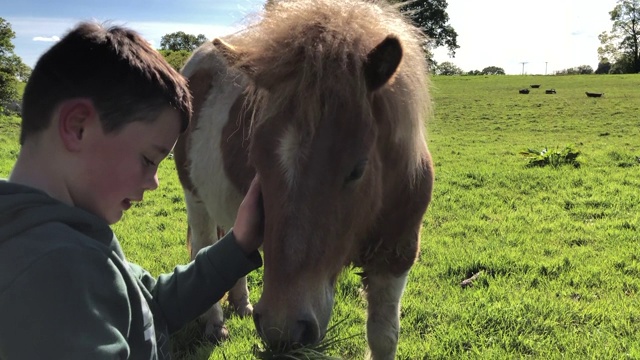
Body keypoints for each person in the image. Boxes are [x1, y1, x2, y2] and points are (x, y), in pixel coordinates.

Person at [0, 22, 264, 359]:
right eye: (147, 159)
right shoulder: (52, 274)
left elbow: (148, 302)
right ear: (77, 128)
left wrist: (238, 242)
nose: (154, 183)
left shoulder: (67, 236)